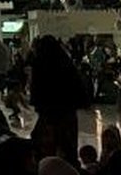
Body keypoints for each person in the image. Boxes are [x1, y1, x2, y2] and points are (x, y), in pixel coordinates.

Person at [30, 35, 87, 165]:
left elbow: (37, 90)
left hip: (48, 113)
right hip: (67, 112)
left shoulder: (40, 62)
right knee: (68, 147)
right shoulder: (65, 62)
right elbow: (78, 88)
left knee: (45, 146)